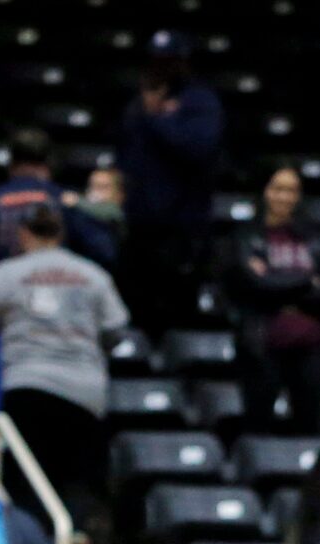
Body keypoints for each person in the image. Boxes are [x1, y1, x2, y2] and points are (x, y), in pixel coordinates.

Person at [0, 203, 129, 544]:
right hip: (84, 392)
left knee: (23, 482)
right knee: (74, 482)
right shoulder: (93, 275)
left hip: (26, 388)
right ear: (61, 234)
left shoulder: (5, 273)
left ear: (22, 234)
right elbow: (117, 328)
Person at [115, 28, 226, 337]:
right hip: (140, 225)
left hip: (182, 227)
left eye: (168, 60)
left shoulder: (199, 101)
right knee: (137, 309)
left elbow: (199, 149)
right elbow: (126, 154)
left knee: (178, 313)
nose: (160, 66)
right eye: (155, 59)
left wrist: (157, 119)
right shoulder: (139, 101)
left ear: (182, 61)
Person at [0, 128, 117, 298]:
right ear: (50, 163)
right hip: (62, 308)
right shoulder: (67, 202)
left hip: (2, 308)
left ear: (10, 163)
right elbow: (104, 254)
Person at [222, 165, 320, 434]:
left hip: (311, 346)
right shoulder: (245, 236)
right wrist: (306, 281)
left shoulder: (313, 237)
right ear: (264, 191)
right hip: (262, 343)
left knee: (310, 427)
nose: (284, 197)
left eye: (291, 190)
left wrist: (277, 280)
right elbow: (254, 284)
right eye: (278, 188)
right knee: (258, 425)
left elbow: (269, 283)